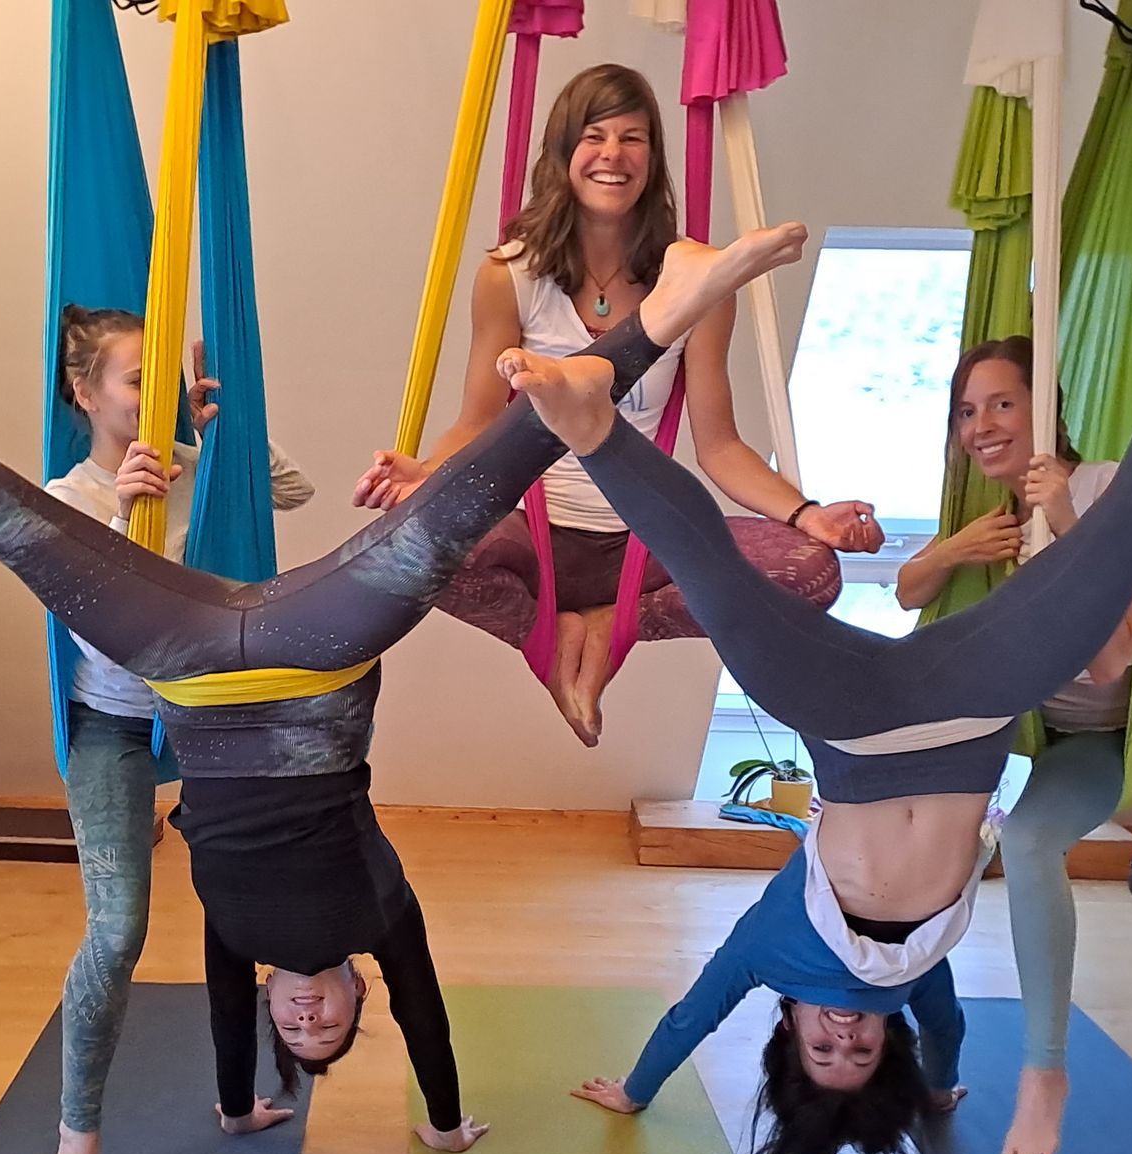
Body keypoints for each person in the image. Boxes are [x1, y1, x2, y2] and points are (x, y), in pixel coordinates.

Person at [0, 215, 813, 1154]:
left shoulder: (237, 951)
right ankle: (670, 305)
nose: (312, 1009)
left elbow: (231, 1042)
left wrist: (229, 1107)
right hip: (317, 648)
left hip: (179, 659)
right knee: (491, 475)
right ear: (353, 998)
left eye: (301, 1024)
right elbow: (428, 1011)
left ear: (279, 1012)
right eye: (334, 1020)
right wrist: (438, 1122)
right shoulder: (377, 913)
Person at [558, 176, 1132, 1154]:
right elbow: (944, 1039)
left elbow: (693, 1013)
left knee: (721, 592)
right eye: (859, 1054)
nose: (846, 1038)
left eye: (821, 1049)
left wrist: (639, 1089)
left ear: (788, 1033)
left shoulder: (769, 955)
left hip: (853, 731)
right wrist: (951, 1087)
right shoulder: (918, 989)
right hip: (967, 713)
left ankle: (594, 429)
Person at [353, 64, 881, 745]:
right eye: (594, 136)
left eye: (633, 138)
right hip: (530, 535)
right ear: (563, 154)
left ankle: (609, 623)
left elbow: (718, 445)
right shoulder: (509, 276)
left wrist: (810, 514)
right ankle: (547, 635)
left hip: (646, 545)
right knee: (398, 542)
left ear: (653, 160)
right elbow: (479, 421)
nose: (613, 155)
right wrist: (422, 477)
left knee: (810, 574)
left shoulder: (697, 280)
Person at [45, 304, 315, 1154]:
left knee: (243, 906)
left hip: (209, 722)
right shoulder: (67, 496)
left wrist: (220, 423)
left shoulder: (195, 465)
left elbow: (294, 490)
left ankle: (238, 1100)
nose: (150, 402)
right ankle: (78, 1134)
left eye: (162, 384)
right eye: (134, 383)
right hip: (114, 725)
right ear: (84, 393)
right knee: (117, 932)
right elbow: (92, 620)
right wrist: (126, 508)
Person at [893, 336, 1132, 1154]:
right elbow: (908, 591)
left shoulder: (1102, 487)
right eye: (967, 410)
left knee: (1031, 845)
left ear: (1047, 407)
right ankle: (930, 1072)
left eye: (1002, 403)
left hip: (1098, 740)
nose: (982, 424)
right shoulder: (995, 511)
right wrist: (957, 549)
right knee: (921, 849)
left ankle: (1045, 1070)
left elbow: (1114, 660)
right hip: (1017, 724)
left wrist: (1066, 522)